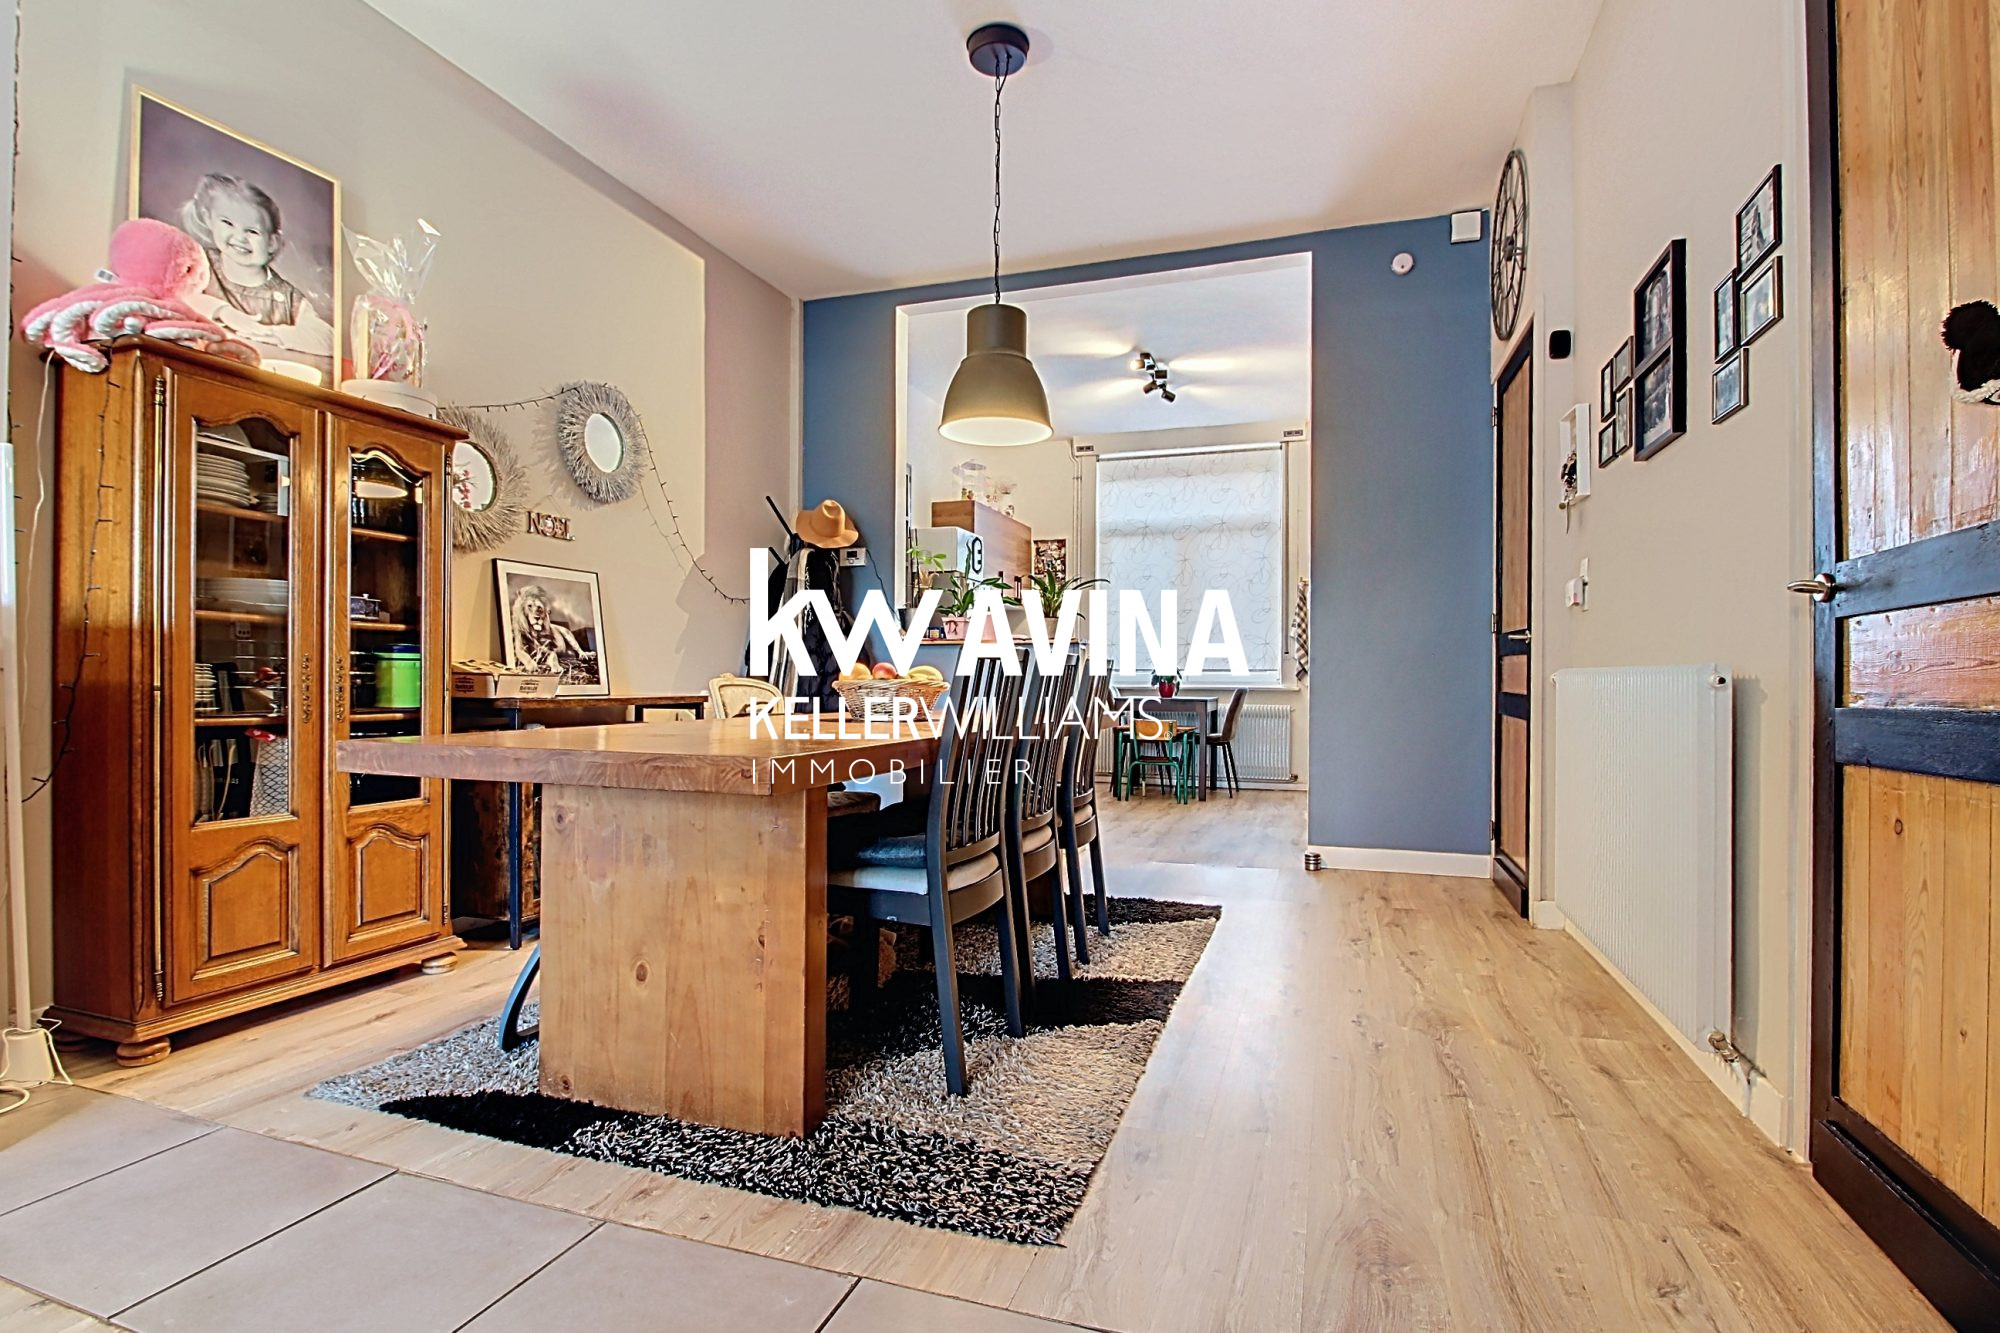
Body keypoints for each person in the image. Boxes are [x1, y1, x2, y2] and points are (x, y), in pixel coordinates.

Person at [179, 173, 334, 359]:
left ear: (272, 243)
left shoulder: (287, 296)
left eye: (252, 231)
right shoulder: (201, 264)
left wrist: (269, 333)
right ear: (208, 219)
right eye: (228, 223)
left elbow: (328, 340)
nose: (240, 238)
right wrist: (223, 312)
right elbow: (176, 298)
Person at [509, 584, 597, 685]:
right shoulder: (519, 628)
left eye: (539, 607)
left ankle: (581, 651)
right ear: (522, 610)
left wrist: (554, 663)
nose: (536, 613)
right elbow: (519, 650)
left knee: (564, 631)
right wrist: (529, 662)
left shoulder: (549, 627)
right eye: (529, 606)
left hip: (556, 641)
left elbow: (550, 653)